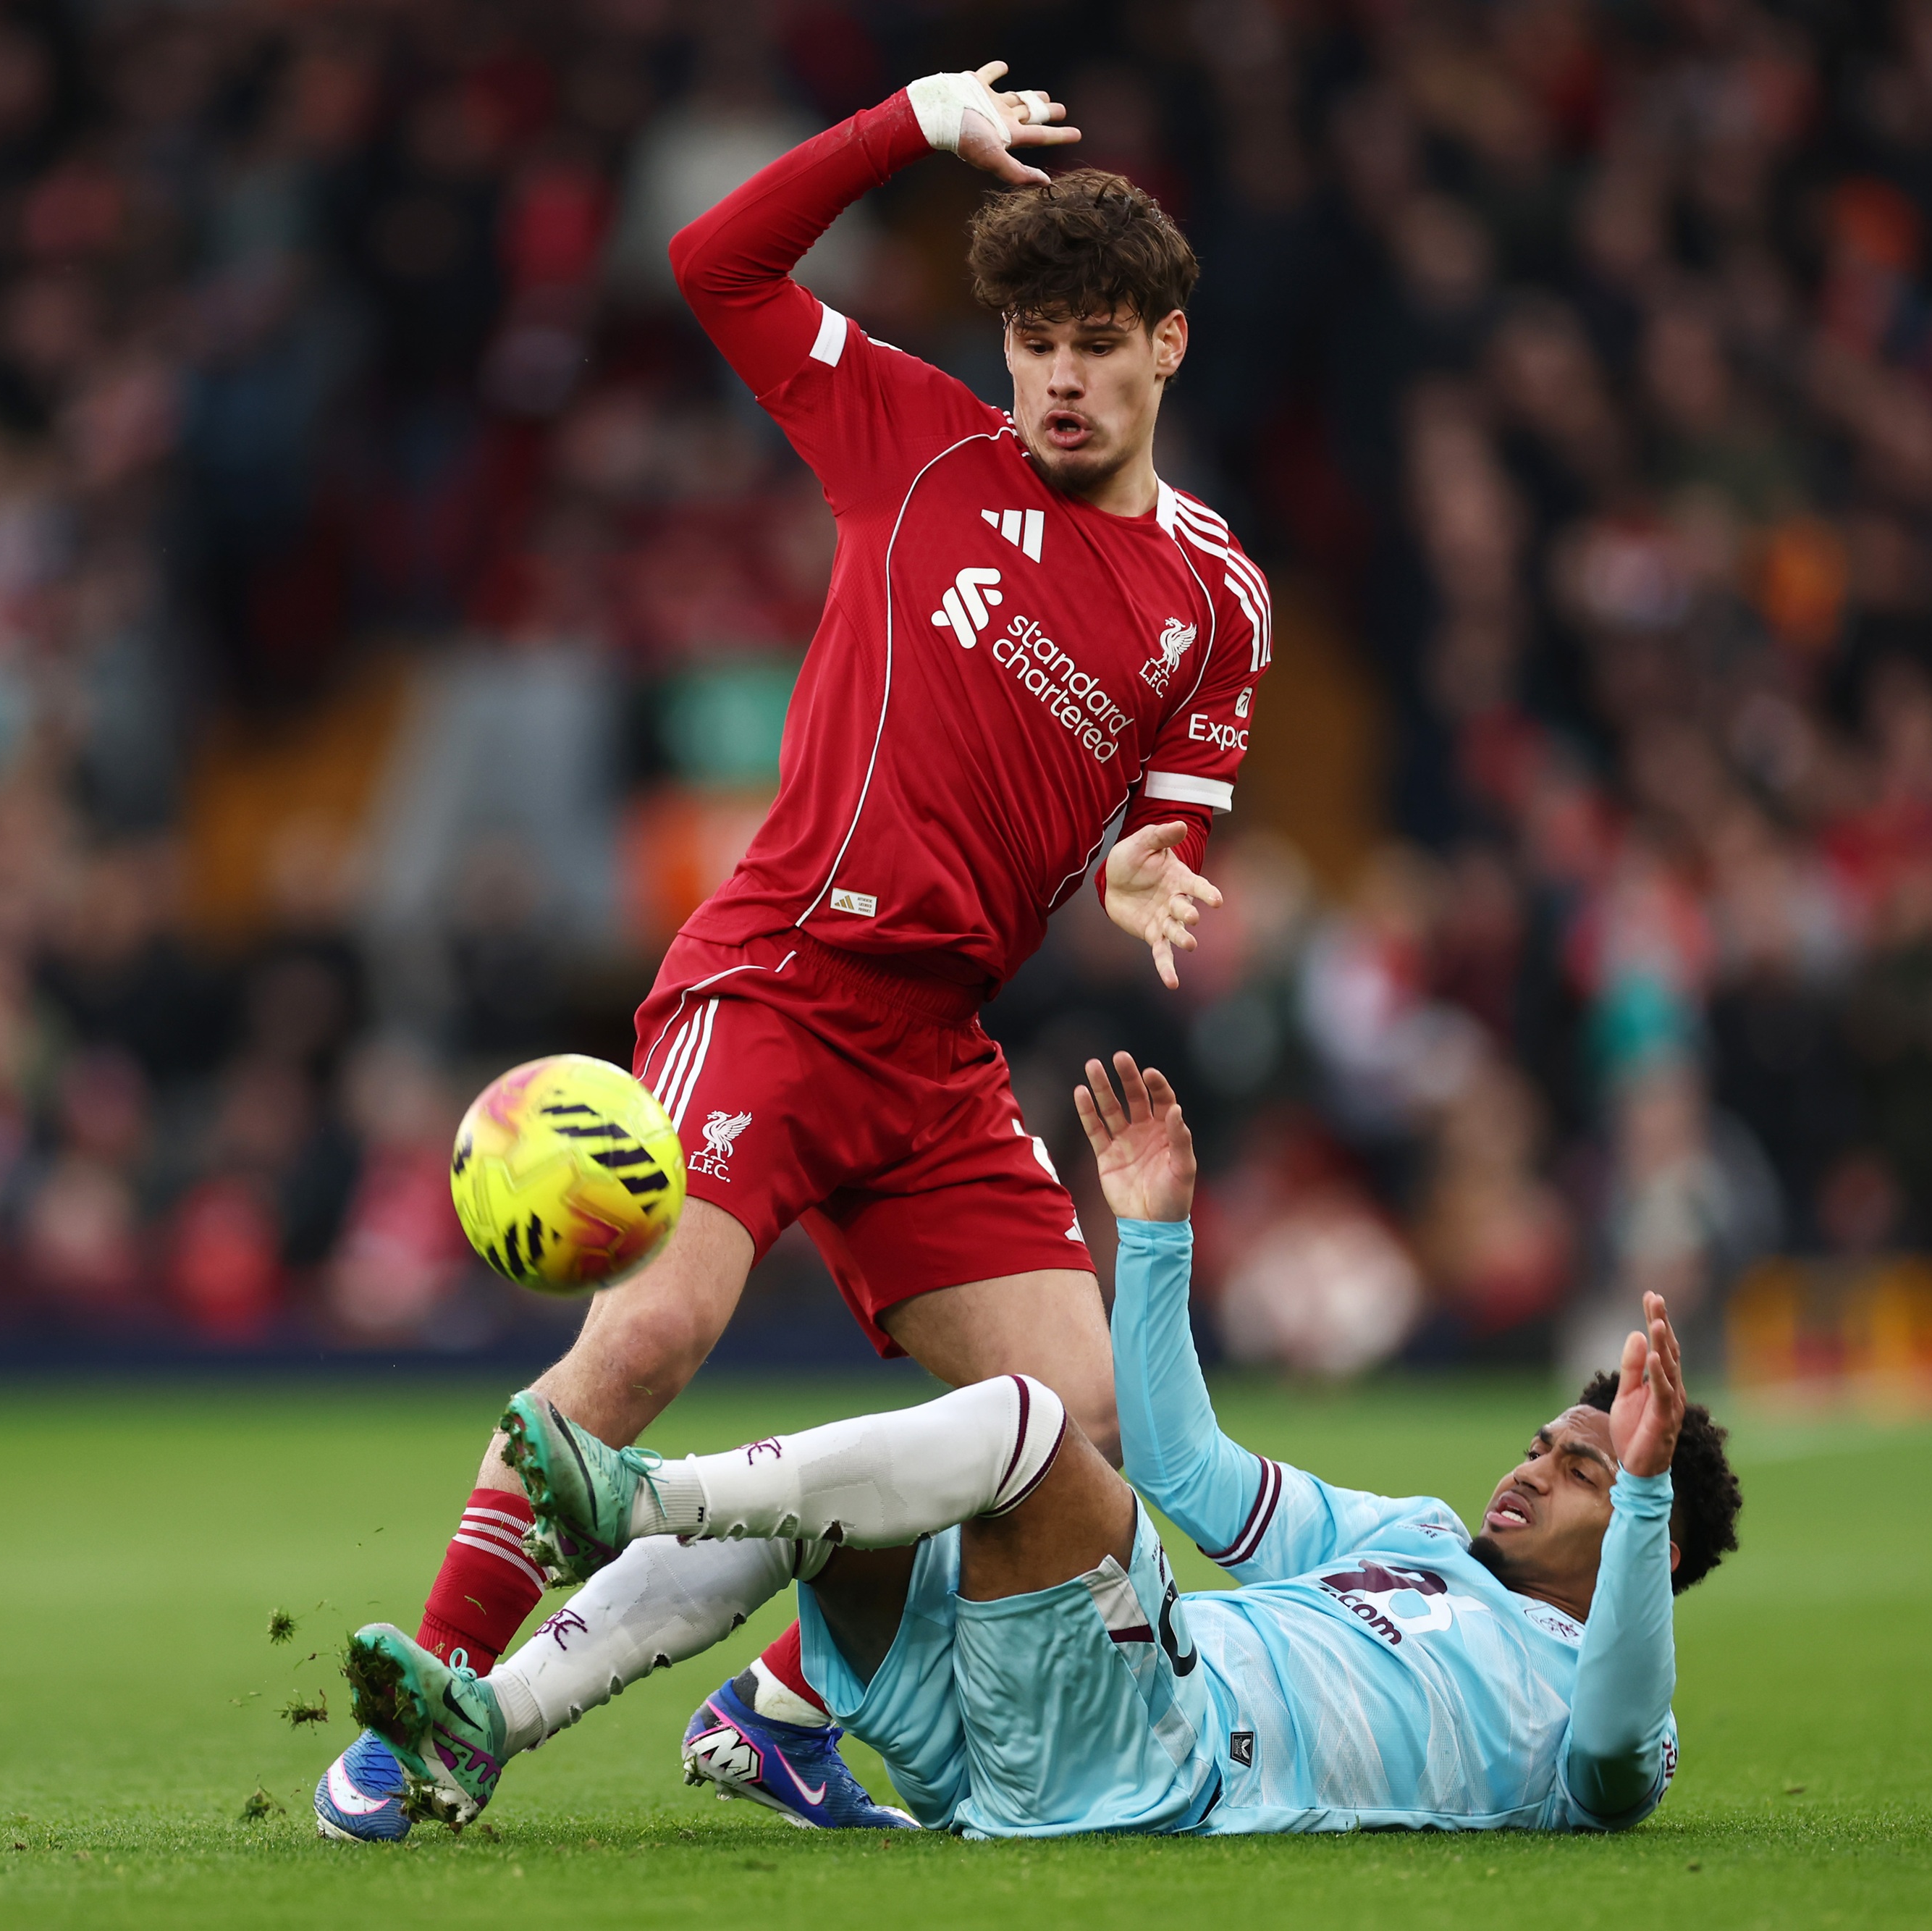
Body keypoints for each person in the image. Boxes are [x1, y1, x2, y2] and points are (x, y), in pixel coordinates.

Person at [320, 61, 1276, 1837]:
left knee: (1077, 1419)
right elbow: (714, 263)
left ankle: (783, 1701)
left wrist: (1158, 869)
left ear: (1166, 346)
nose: (1061, 379)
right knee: (649, 1338)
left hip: (938, 1054)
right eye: (1035, 344)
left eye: (1097, 344)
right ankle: (419, 1715)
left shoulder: (1220, 593)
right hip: (776, 983)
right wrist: (903, 126)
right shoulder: (916, 442)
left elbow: (1171, 811)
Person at [344, 1053, 1741, 1838]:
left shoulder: (1607, 1722)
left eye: (1582, 1470)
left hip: (1161, 1755)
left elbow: (1618, 1742)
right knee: (813, 1503)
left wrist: (1638, 1489)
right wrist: (1156, 1235)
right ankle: (489, 1724)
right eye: (1547, 1445)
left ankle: (638, 1497)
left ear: (1652, 1540)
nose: (1531, 1470)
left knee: (1024, 1420)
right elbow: (1186, 1473)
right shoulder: (1419, 1539)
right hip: (1032, 1711)